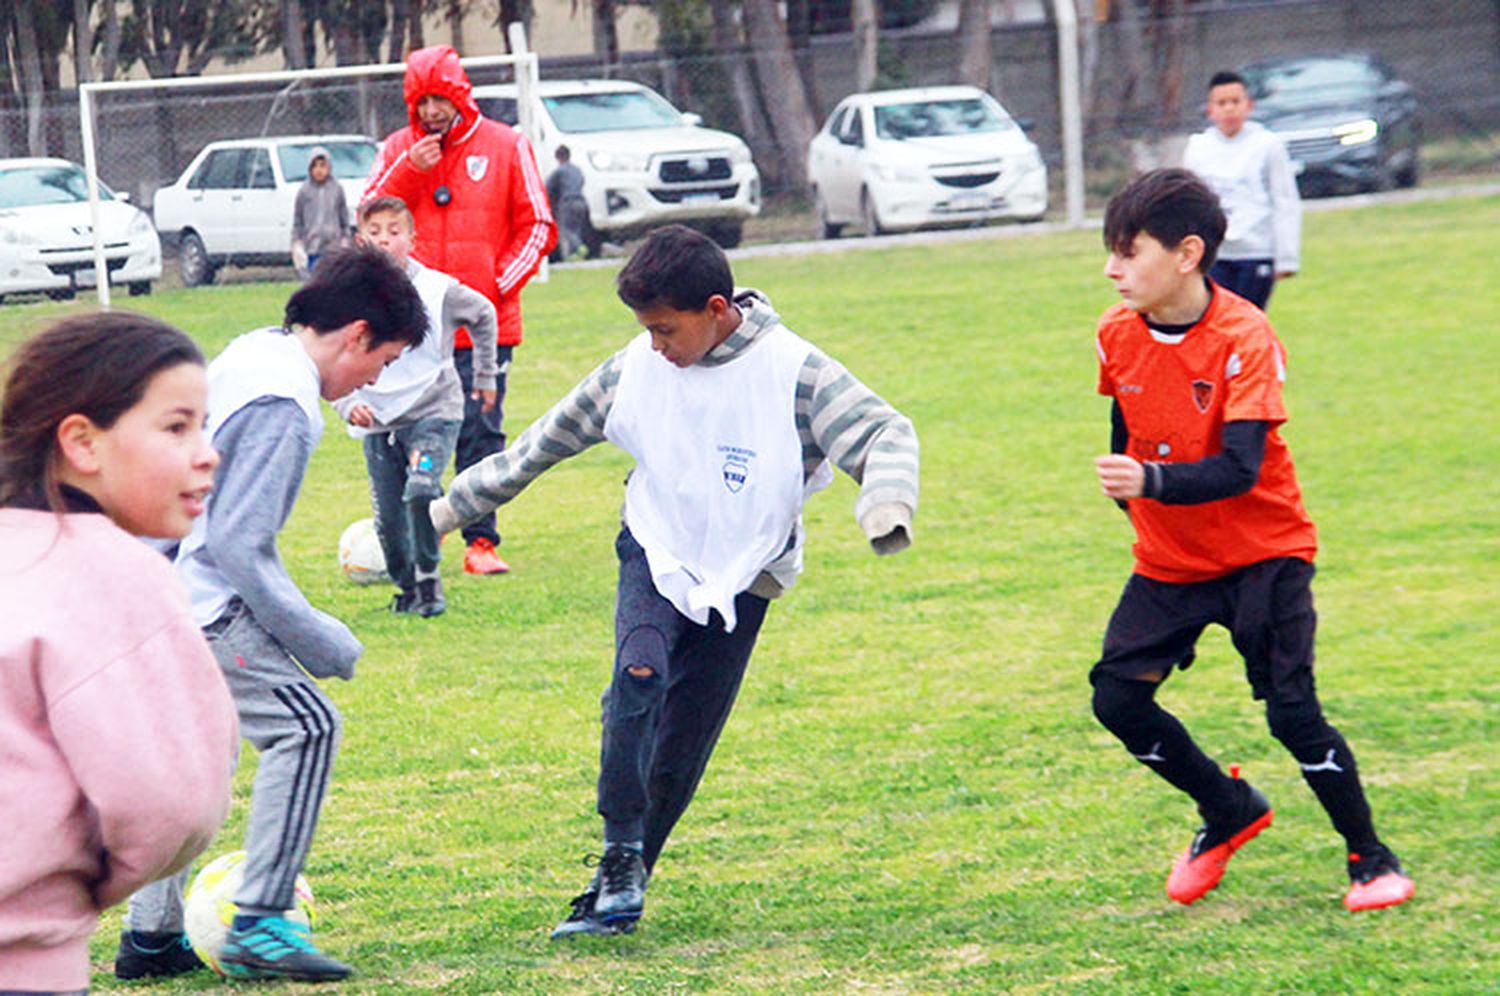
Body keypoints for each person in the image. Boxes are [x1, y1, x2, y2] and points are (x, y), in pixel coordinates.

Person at [430, 224, 920, 938]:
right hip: (655, 547)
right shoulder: (637, 366)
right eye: (647, 331)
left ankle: (620, 887)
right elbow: (538, 446)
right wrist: (444, 514)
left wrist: (884, 504)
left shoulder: (794, 371)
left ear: (717, 308)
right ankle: (620, 853)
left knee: (684, 740)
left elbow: (884, 434)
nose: (656, 346)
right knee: (637, 674)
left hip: (749, 572)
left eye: (666, 329)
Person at [1089, 168, 1414, 913]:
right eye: (1110, 251)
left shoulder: (1245, 335)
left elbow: (1239, 467)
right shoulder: (1113, 332)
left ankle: (1372, 859)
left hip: (1265, 554)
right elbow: (1125, 434)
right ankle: (1229, 809)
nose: (1112, 269)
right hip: (1170, 561)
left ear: (1188, 253)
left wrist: (1151, 485)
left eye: (1129, 251)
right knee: (1117, 700)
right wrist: (1142, 509)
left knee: (1291, 712)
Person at [123, 245, 429, 982]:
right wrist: (319, 637)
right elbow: (236, 544)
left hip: (155, 590)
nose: (374, 379)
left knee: (202, 756)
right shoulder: (287, 405)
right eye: (381, 361)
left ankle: (152, 937)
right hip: (203, 607)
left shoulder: (254, 353)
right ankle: (260, 918)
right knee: (308, 725)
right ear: (354, 335)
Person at [0, 313, 237, 993]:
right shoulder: (118, 575)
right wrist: (61, 891)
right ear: (82, 442)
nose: (207, 452)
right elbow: (173, 806)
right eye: (177, 426)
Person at [364, 44, 556, 577]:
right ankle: (415, 537)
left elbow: (538, 224)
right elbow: (367, 219)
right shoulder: (398, 151)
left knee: (479, 431)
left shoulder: (506, 145)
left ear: (459, 96)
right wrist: (408, 172)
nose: (430, 113)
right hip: (410, 331)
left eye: (439, 100)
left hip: (484, 328)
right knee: (405, 432)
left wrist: (496, 286)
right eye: (420, 101)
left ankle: (480, 543)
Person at [333, 195, 499, 617]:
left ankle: (429, 582)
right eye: (375, 233)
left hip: (434, 412)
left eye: (394, 231)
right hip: (378, 422)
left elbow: (483, 313)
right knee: (388, 520)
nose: (385, 241)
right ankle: (406, 587)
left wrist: (484, 375)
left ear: (411, 238)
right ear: (360, 241)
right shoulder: (347, 300)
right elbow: (329, 359)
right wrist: (349, 403)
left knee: (422, 489)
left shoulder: (438, 290)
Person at [1182, 70, 1302, 310]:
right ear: (1210, 109)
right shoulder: (1198, 147)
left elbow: (1284, 201)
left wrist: (1286, 257)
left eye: (1235, 102)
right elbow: (1187, 204)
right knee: (1215, 319)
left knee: (1248, 319)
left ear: (1249, 105)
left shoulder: (1267, 145)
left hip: (1256, 252)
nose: (1229, 109)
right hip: (1216, 254)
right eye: (1221, 103)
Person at [290, 146, 350, 277]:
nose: (319, 170)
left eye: (322, 166)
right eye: (315, 166)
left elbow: (344, 218)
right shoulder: (304, 191)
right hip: (312, 248)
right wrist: (296, 244)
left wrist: (345, 240)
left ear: (329, 167)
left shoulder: (336, 189)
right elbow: (298, 221)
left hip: (334, 249)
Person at [545, 144, 590, 262]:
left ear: (557, 158)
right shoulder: (577, 170)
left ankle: (579, 248)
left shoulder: (559, 171)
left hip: (568, 202)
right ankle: (576, 254)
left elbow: (547, 188)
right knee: (576, 228)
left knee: (567, 230)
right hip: (581, 201)